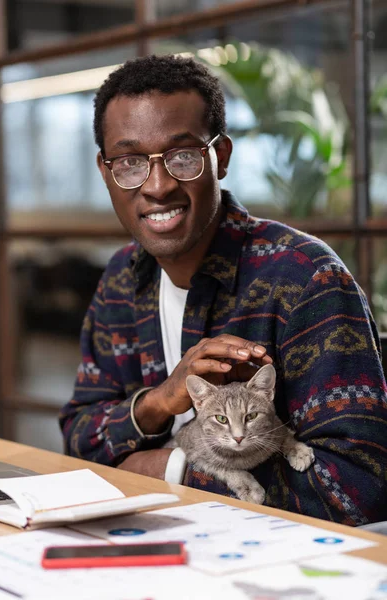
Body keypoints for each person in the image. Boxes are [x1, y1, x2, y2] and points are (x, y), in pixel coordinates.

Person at [59, 54, 387, 527]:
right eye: (130, 162)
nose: (158, 185)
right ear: (106, 171)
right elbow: (78, 436)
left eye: (183, 156)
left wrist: (171, 468)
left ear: (222, 158)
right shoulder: (120, 281)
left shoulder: (305, 279)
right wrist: (159, 401)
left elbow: (361, 489)